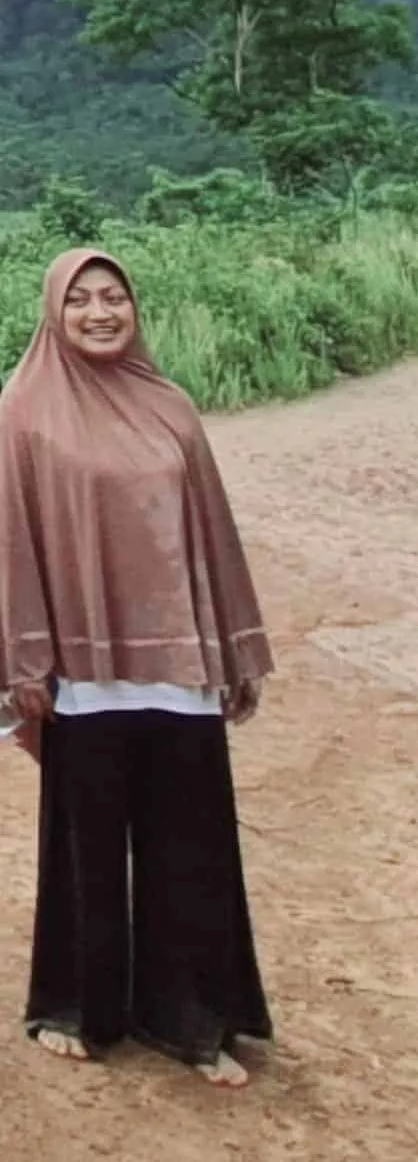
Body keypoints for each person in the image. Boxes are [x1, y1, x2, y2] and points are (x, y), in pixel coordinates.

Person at [0, 248, 274, 1085]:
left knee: (189, 842)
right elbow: (10, 548)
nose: (98, 312)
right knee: (84, 845)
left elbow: (213, 536)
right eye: (79, 299)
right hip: (81, 676)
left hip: (178, 667)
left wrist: (231, 646)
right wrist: (25, 662)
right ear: (54, 311)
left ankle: (193, 1018)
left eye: (112, 296)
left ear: (133, 307)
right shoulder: (24, 412)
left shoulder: (170, 407)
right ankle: (75, 1005)